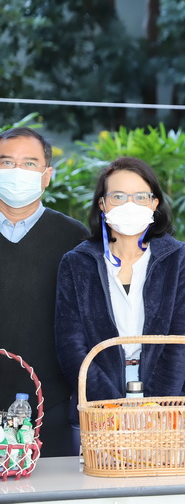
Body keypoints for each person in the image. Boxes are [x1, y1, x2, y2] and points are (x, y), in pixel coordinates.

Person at [54, 157, 185, 454]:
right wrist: (112, 407)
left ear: (154, 203)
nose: (129, 205)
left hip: (166, 405)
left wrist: (154, 407)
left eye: (140, 197)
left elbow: (182, 338)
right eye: (118, 196)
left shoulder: (177, 257)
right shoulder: (78, 262)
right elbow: (71, 346)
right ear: (102, 204)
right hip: (98, 405)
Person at [0, 127, 87, 457]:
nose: (17, 172)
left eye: (29, 163)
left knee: (52, 484)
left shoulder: (74, 238)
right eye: (7, 162)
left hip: (51, 406)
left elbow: (86, 323)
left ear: (46, 175)